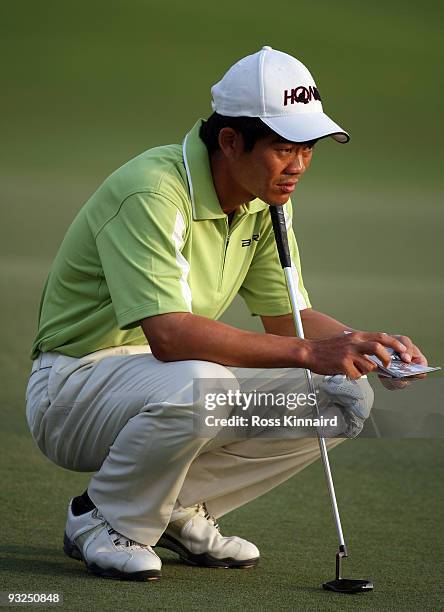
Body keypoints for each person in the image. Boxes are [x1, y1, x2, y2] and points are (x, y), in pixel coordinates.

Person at [25, 46, 427, 582]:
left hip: (166, 381)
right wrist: (312, 351)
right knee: (206, 383)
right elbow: (170, 336)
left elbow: (290, 319)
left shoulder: (265, 201)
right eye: (285, 148)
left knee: (343, 394)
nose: (300, 165)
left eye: (307, 148)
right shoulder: (153, 190)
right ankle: (105, 519)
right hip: (73, 387)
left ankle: (173, 506)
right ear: (231, 140)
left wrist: (364, 344)